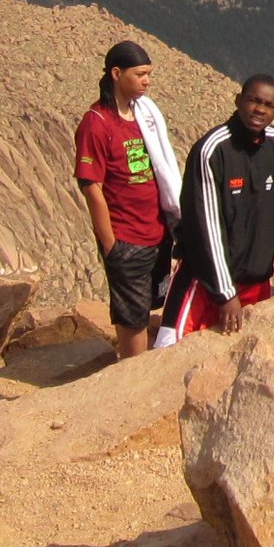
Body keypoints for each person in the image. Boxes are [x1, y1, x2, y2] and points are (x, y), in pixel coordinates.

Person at [157, 75, 274, 344]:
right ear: (238, 100)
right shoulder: (213, 150)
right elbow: (204, 227)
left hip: (256, 284)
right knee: (169, 352)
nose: (260, 110)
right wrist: (225, 293)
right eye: (254, 101)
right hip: (204, 285)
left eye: (269, 105)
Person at [72, 40, 185, 360]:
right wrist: (111, 244)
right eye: (140, 74)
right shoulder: (97, 123)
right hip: (126, 237)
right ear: (116, 73)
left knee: (149, 305)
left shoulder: (144, 115)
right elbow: (92, 186)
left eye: (149, 74)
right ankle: (132, 372)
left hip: (156, 231)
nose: (147, 81)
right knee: (131, 316)